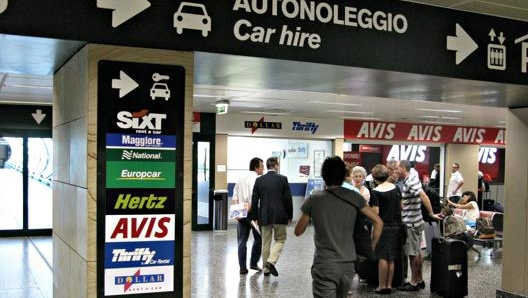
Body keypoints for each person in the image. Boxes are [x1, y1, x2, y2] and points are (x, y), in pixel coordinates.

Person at [294, 156, 383, 298]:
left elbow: (298, 231)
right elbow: (378, 222)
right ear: (345, 176)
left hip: (324, 264)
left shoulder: (314, 198)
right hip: (348, 265)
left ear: (324, 176)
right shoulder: (355, 197)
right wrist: (370, 247)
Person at [397, 160, 442, 291]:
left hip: (412, 223)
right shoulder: (411, 179)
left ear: (403, 168)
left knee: (412, 253)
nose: (396, 171)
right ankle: (420, 279)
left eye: (397, 169)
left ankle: (413, 282)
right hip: (415, 220)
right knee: (417, 251)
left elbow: (423, 195)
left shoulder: (410, 181)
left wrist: (431, 213)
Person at [249, 157, 293, 277]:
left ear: (267, 166)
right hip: (280, 215)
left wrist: (254, 216)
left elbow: (254, 200)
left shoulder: (259, 180)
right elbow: (288, 199)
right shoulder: (283, 179)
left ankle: (266, 269)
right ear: (276, 166)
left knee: (265, 243)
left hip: (264, 216)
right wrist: (290, 215)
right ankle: (271, 261)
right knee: (280, 239)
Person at [369, 164, 403, 295]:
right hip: (396, 226)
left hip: (382, 227)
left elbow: (375, 212)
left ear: (374, 177)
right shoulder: (396, 189)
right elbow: (401, 207)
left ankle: (381, 286)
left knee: (382, 257)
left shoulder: (376, 192)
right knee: (391, 258)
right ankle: (389, 285)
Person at [232, 157, 264, 274]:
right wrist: (246, 213)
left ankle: (242, 268)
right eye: (262, 167)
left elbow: (235, 196)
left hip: (241, 213)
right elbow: (253, 199)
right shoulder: (256, 179)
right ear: (256, 167)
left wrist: (238, 214)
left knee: (242, 241)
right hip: (253, 214)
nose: (263, 169)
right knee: (259, 238)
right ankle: (253, 263)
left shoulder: (240, 178)